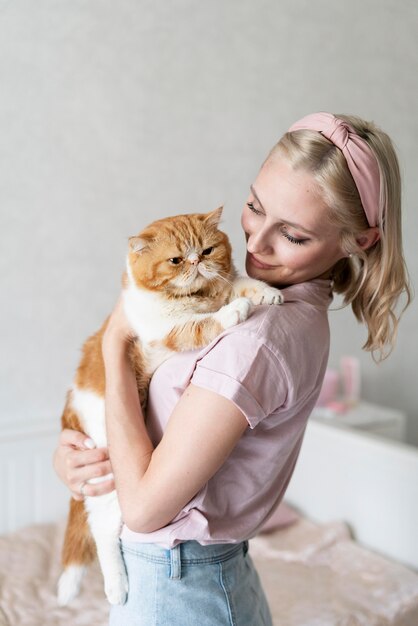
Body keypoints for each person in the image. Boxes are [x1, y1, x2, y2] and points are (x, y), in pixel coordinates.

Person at [53, 112, 411, 625]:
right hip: (199, 577)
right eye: (254, 207)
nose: (256, 244)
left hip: (176, 586)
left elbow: (145, 509)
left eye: (293, 234)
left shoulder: (258, 339)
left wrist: (114, 338)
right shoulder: (275, 310)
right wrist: (80, 462)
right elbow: (151, 425)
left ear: (360, 241)